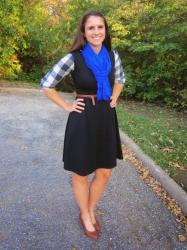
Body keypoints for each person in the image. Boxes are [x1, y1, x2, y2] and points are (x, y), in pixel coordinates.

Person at [39, 10, 125, 240]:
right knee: (81, 171)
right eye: (91, 28)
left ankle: (91, 206)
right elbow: (47, 84)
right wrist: (66, 106)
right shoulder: (74, 58)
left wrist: (115, 97)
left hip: (106, 116)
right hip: (83, 116)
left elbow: (120, 79)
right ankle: (85, 214)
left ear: (105, 30)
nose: (96, 31)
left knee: (105, 171)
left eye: (100, 27)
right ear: (84, 33)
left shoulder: (112, 55)